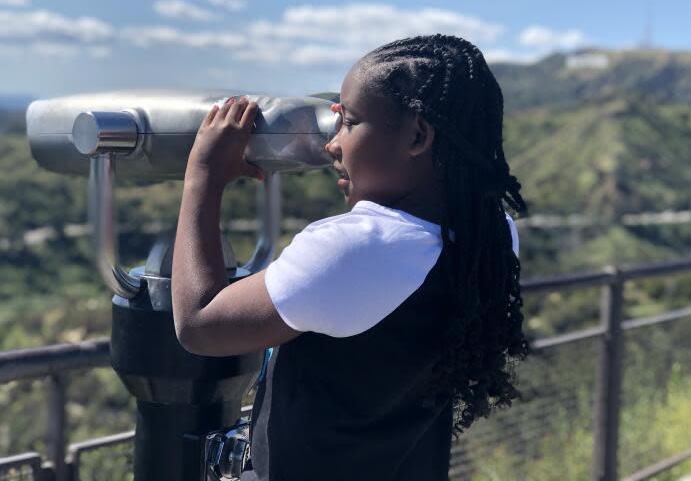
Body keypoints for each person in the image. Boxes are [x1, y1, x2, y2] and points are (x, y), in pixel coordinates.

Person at [172, 34, 528, 481]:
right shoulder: (490, 234)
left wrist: (202, 175)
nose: (332, 145)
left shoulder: (358, 250)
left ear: (418, 135)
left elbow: (199, 324)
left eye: (350, 123)